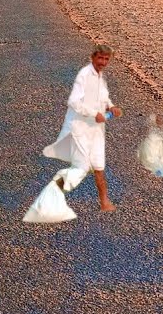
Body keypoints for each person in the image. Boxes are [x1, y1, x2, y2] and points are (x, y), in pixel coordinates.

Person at [43, 45, 123, 211]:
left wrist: (111, 107)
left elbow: (104, 98)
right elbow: (73, 102)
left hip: (96, 130)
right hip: (80, 129)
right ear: (92, 57)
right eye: (100, 58)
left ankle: (104, 203)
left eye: (106, 59)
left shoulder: (100, 77)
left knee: (99, 165)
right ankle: (51, 195)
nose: (103, 62)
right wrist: (94, 113)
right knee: (82, 168)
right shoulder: (84, 75)